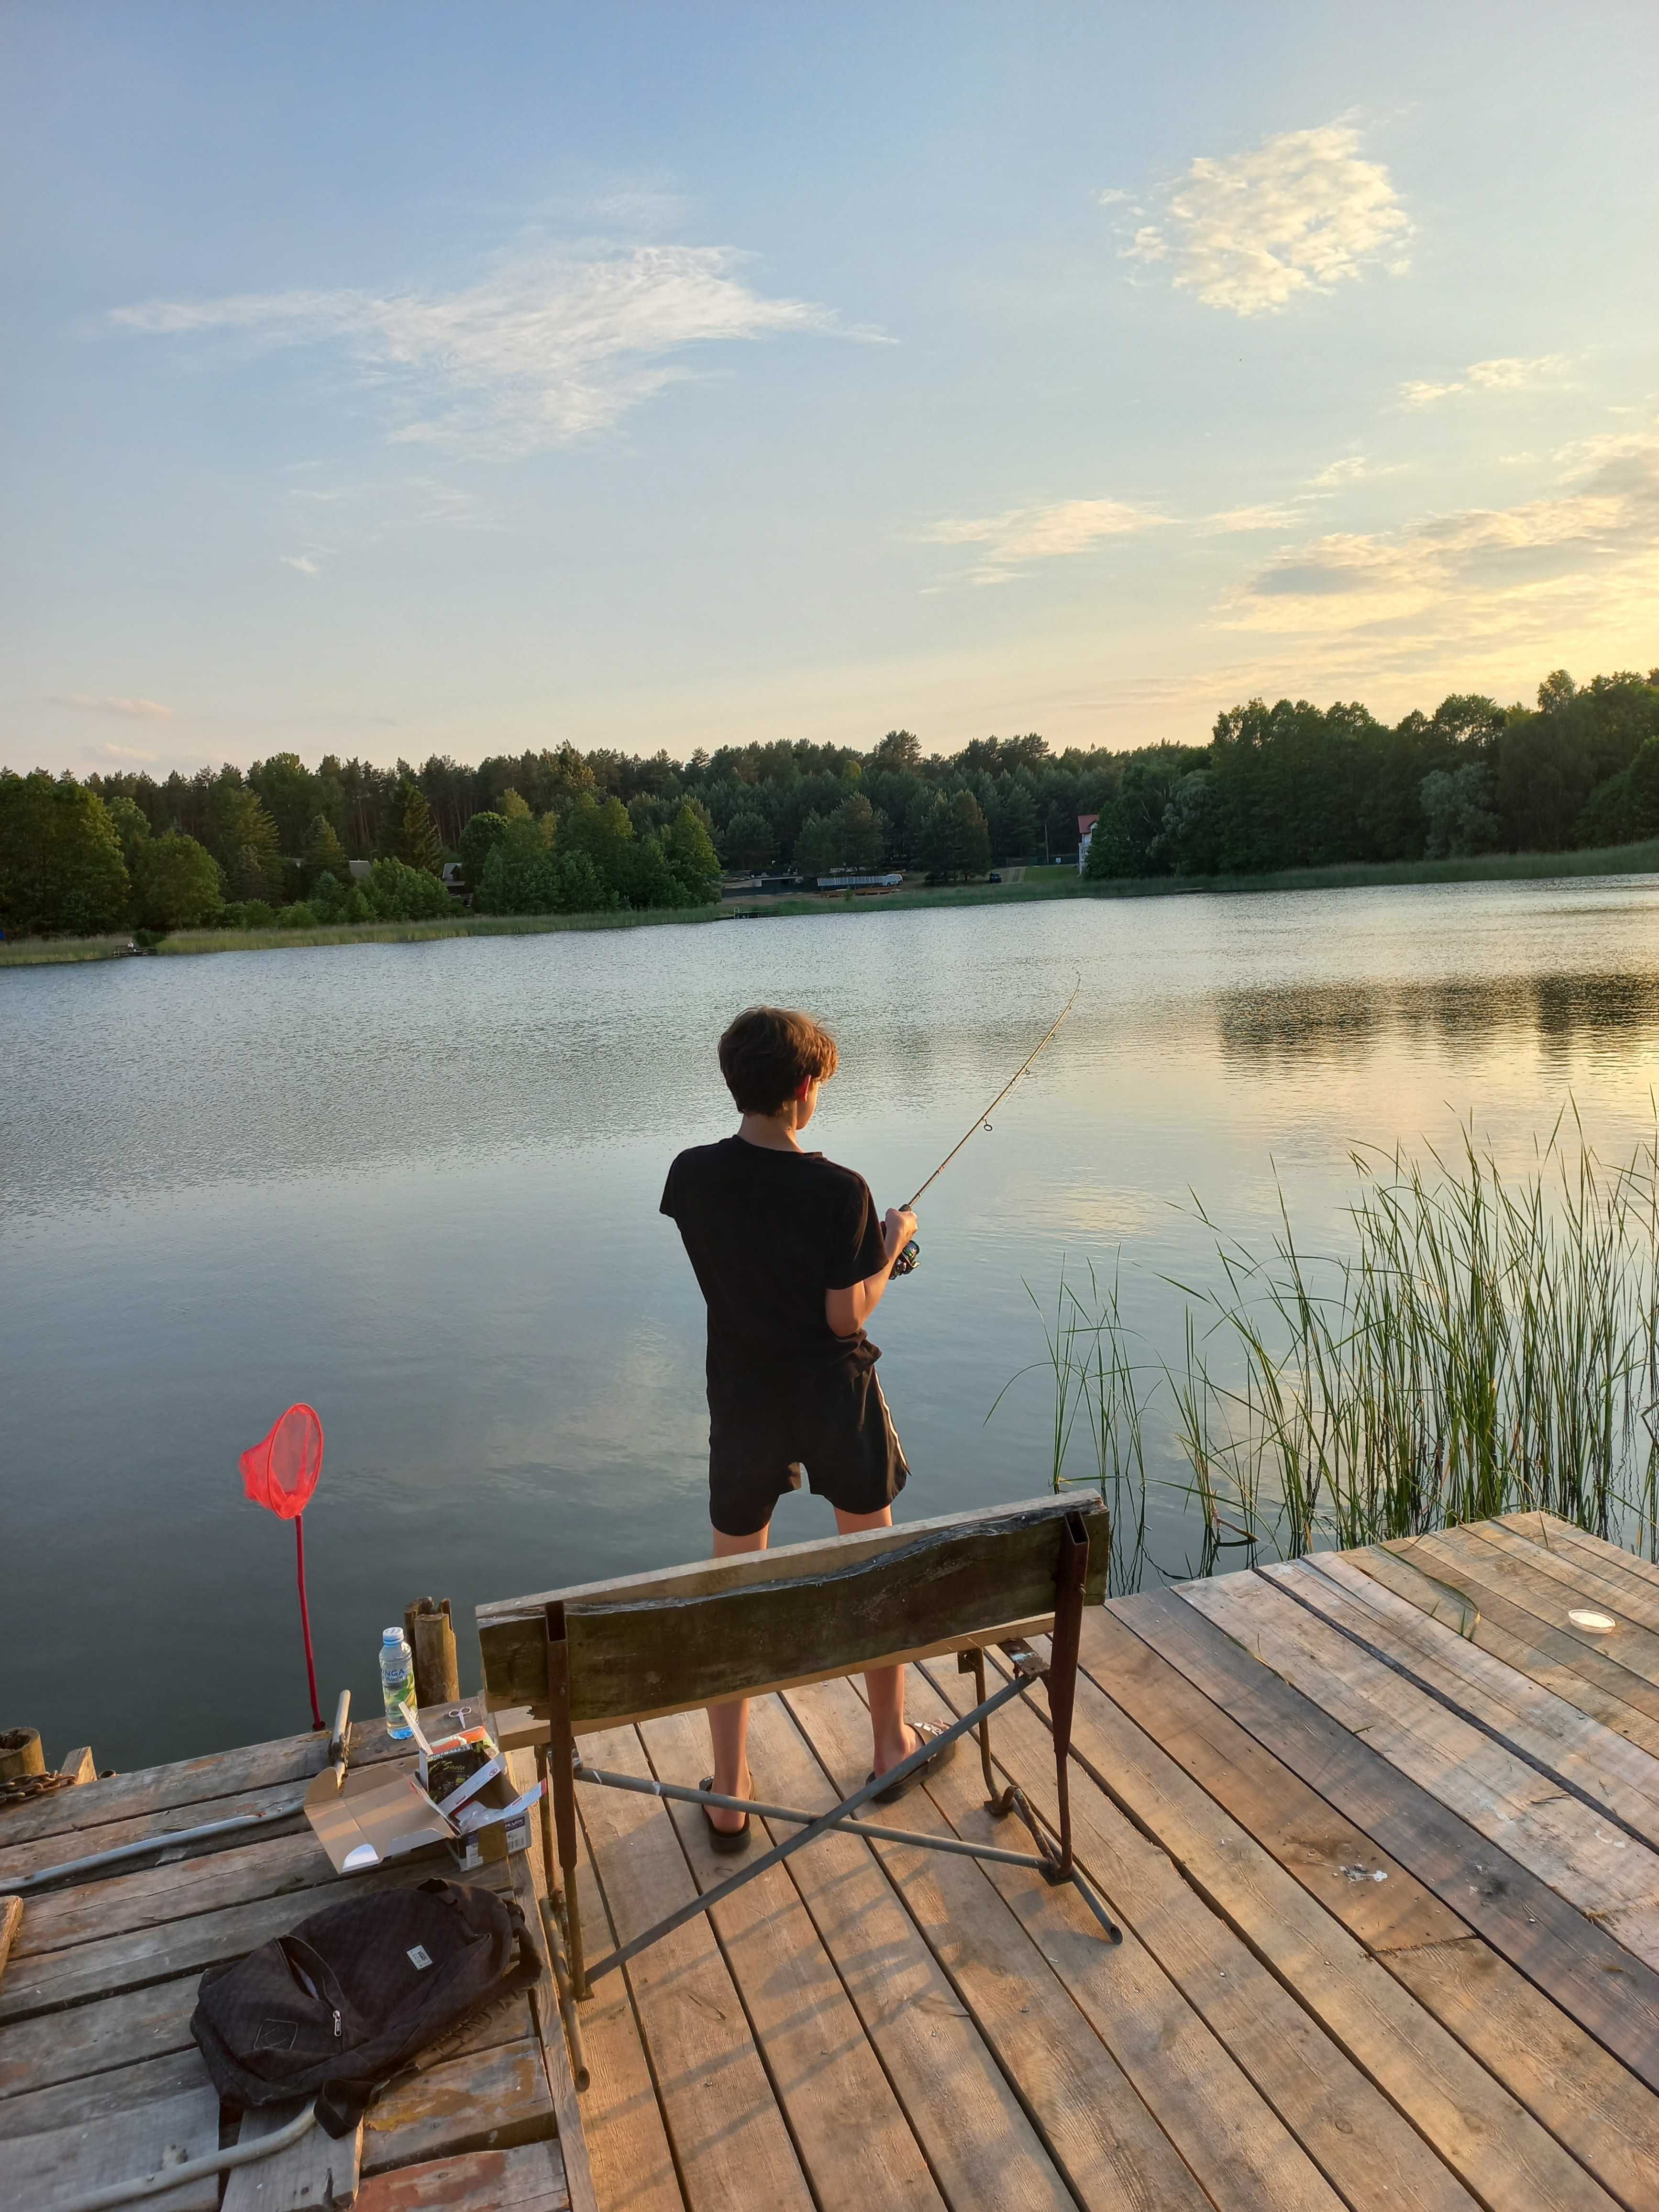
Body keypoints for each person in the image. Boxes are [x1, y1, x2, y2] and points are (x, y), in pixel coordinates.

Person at [660, 1004, 955, 1850]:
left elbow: (741, 1269)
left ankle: (727, 1791)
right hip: (835, 1396)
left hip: (743, 1399)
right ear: (803, 1089)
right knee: (873, 1568)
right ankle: (892, 1746)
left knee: (736, 1585)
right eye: (820, 1081)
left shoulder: (690, 1177)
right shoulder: (843, 1193)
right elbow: (840, 1319)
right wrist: (889, 1249)